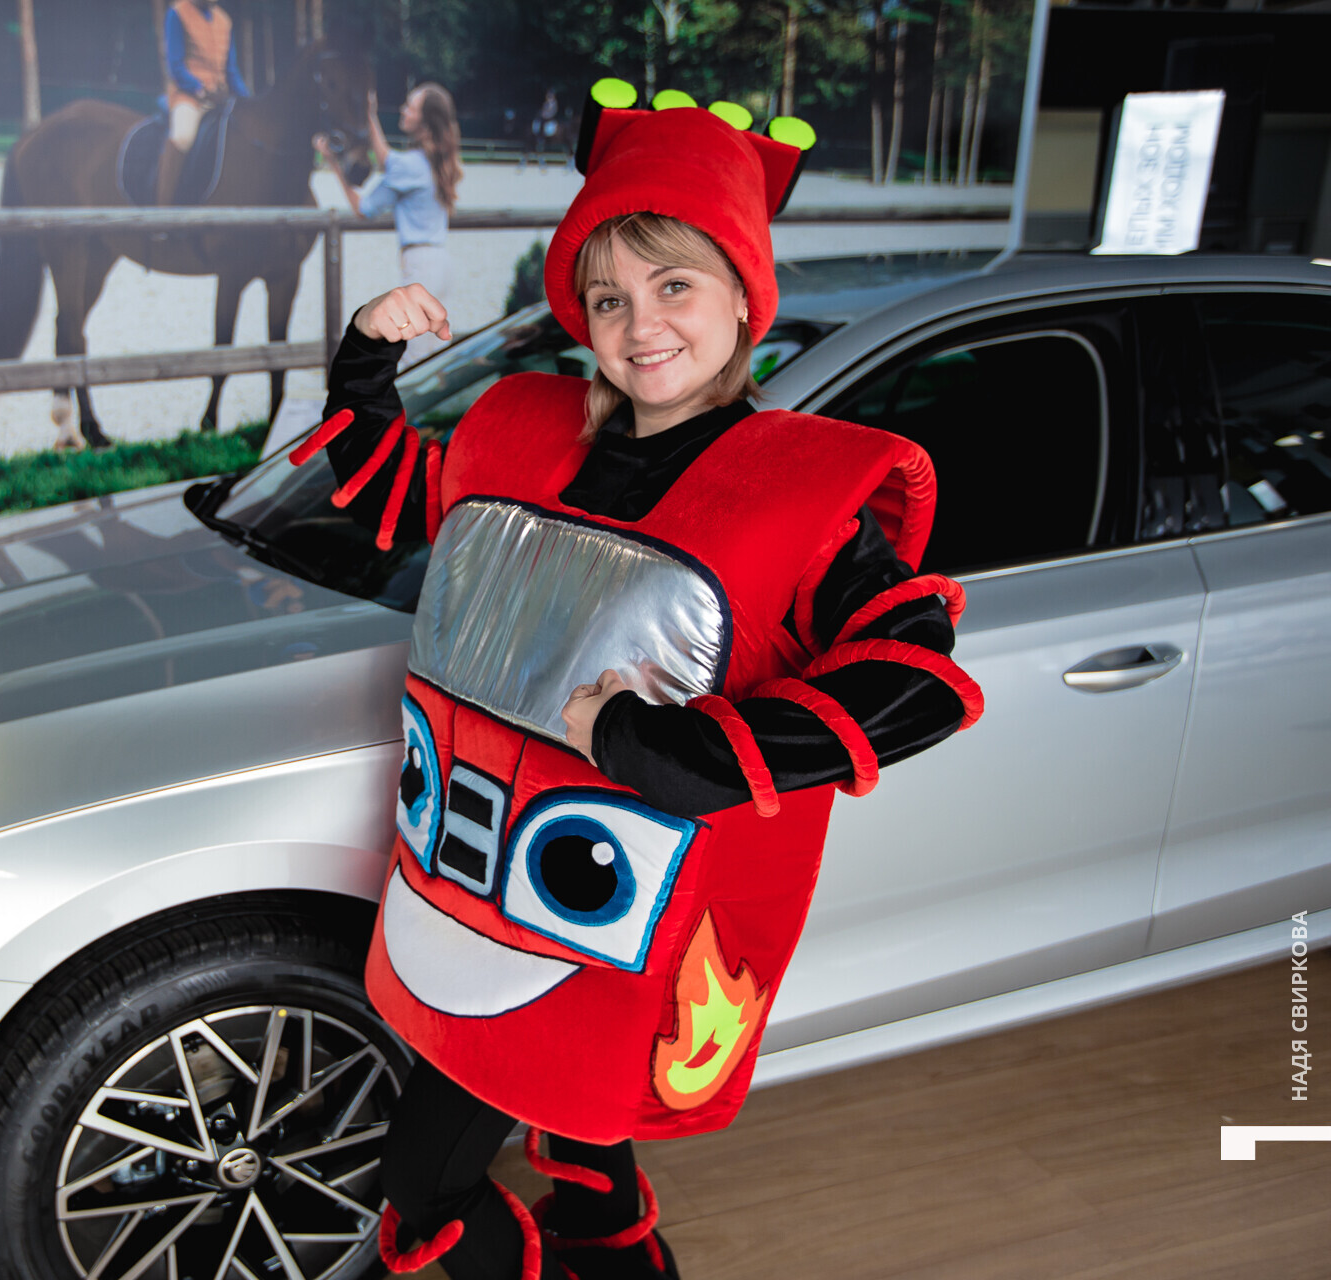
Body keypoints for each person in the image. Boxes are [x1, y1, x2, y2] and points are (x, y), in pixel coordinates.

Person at [290, 90, 983, 1278]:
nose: (640, 324)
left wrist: (668, 748)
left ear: (742, 298)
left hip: (624, 930)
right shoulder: (521, 431)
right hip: (467, 898)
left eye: (674, 285)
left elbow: (913, 673)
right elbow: (397, 491)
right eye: (608, 296)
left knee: (522, 1171)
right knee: (502, 1163)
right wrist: (365, 357)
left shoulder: (799, 492)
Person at [317, 83, 462, 364]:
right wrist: (370, 116)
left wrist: (334, 163)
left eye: (411, 107)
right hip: (440, 264)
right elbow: (387, 162)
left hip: (421, 266)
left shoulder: (410, 165)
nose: (403, 110)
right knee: (431, 355)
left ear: (424, 121)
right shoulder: (431, 161)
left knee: (412, 357)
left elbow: (364, 207)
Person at [158, 0, 250, 206]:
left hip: (221, 98)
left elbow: (232, 71)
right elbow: (175, 66)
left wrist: (248, 100)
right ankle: (163, 206)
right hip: (189, 96)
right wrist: (201, 89)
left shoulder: (224, 20)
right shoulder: (177, 13)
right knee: (182, 136)